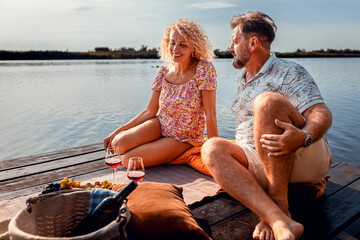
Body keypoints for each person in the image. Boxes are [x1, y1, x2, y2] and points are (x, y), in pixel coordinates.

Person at [201, 11, 332, 240]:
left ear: (252, 43)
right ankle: (278, 221)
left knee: (267, 101)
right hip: (262, 160)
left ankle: (280, 204)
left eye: (234, 41)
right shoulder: (244, 79)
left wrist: (303, 137)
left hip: (299, 151)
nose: (230, 47)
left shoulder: (288, 71)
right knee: (210, 148)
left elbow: (321, 113)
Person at [104, 19, 218, 168]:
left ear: (194, 48)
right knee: (117, 143)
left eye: (183, 45)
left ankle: (177, 150)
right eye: (172, 43)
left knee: (129, 161)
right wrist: (117, 130)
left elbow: (211, 113)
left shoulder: (204, 69)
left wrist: (215, 151)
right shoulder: (163, 72)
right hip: (160, 124)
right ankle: (156, 145)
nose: (175, 49)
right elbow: (149, 111)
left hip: (184, 137)